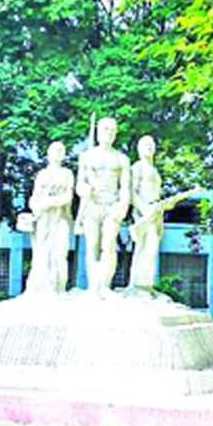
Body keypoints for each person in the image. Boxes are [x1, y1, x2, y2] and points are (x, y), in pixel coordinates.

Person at [76, 117, 130, 295]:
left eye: (112, 130)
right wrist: (84, 188)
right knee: (91, 244)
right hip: (91, 205)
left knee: (108, 244)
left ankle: (105, 286)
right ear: (98, 131)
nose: (109, 133)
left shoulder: (121, 159)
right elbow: (79, 184)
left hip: (112, 205)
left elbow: (125, 187)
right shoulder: (86, 157)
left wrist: (122, 206)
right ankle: (93, 286)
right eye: (105, 129)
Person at [25, 141, 74, 294]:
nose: (58, 152)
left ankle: (59, 287)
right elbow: (34, 197)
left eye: (61, 150)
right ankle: (42, 287)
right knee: (43, 252)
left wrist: (51, 202)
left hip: (60, 217)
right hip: (44, 218)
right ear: (48, 153)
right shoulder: (43, 174)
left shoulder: (67, 173)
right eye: (55, 150)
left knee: (60, 251)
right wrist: (36, 207)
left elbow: (68, 196)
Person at [128, 136, 163, 289]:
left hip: (155, 213)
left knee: (152, 247)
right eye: (145, 145)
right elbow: (132, 193)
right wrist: (144, 210)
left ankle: (147, 284)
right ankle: (138, 284)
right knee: (144, 246)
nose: (149, 147)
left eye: (151, 145)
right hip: (143, 212)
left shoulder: (154, 171)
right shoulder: (137, 167)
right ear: (139, 148)